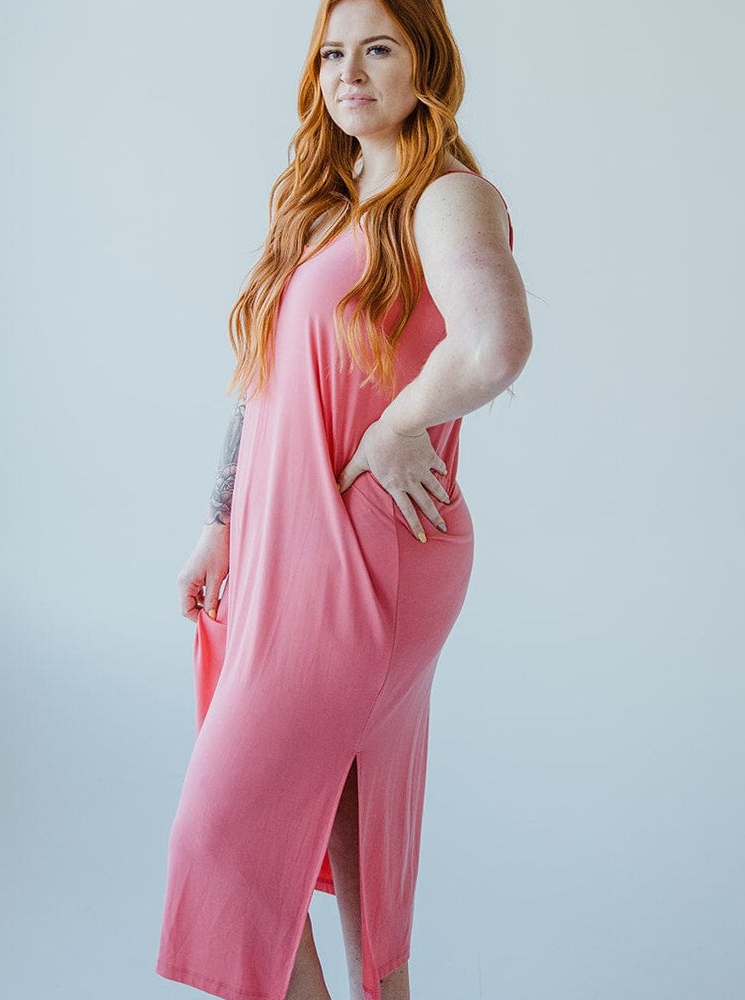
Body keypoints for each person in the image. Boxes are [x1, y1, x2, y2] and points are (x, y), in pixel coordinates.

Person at [155, 0, 532, 998]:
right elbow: (262, 379)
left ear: (425, 63)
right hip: (291, 543)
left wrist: (397, 422)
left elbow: (493, 343)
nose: (347, 71)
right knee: (356, 846)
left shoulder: (446, 196)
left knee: (223, 840)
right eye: (330, 52)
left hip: (365, 547)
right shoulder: (326, 205)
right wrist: (220, 522)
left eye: (376, 49)